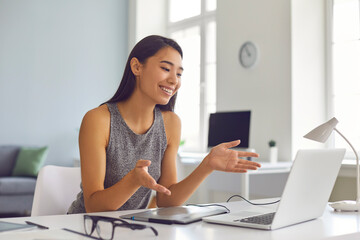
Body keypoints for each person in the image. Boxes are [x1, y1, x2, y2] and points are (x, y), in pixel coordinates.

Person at [68, 35, 261, 214]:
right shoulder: (99, 120)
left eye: (179, 73)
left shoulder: (170, 123)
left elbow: (166, 200)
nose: (173, 80)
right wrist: (133, 180)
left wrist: (207, 165)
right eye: (166, 69)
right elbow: (93, 206)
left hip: (130, 229)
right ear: (136, 67)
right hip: (83, 227)